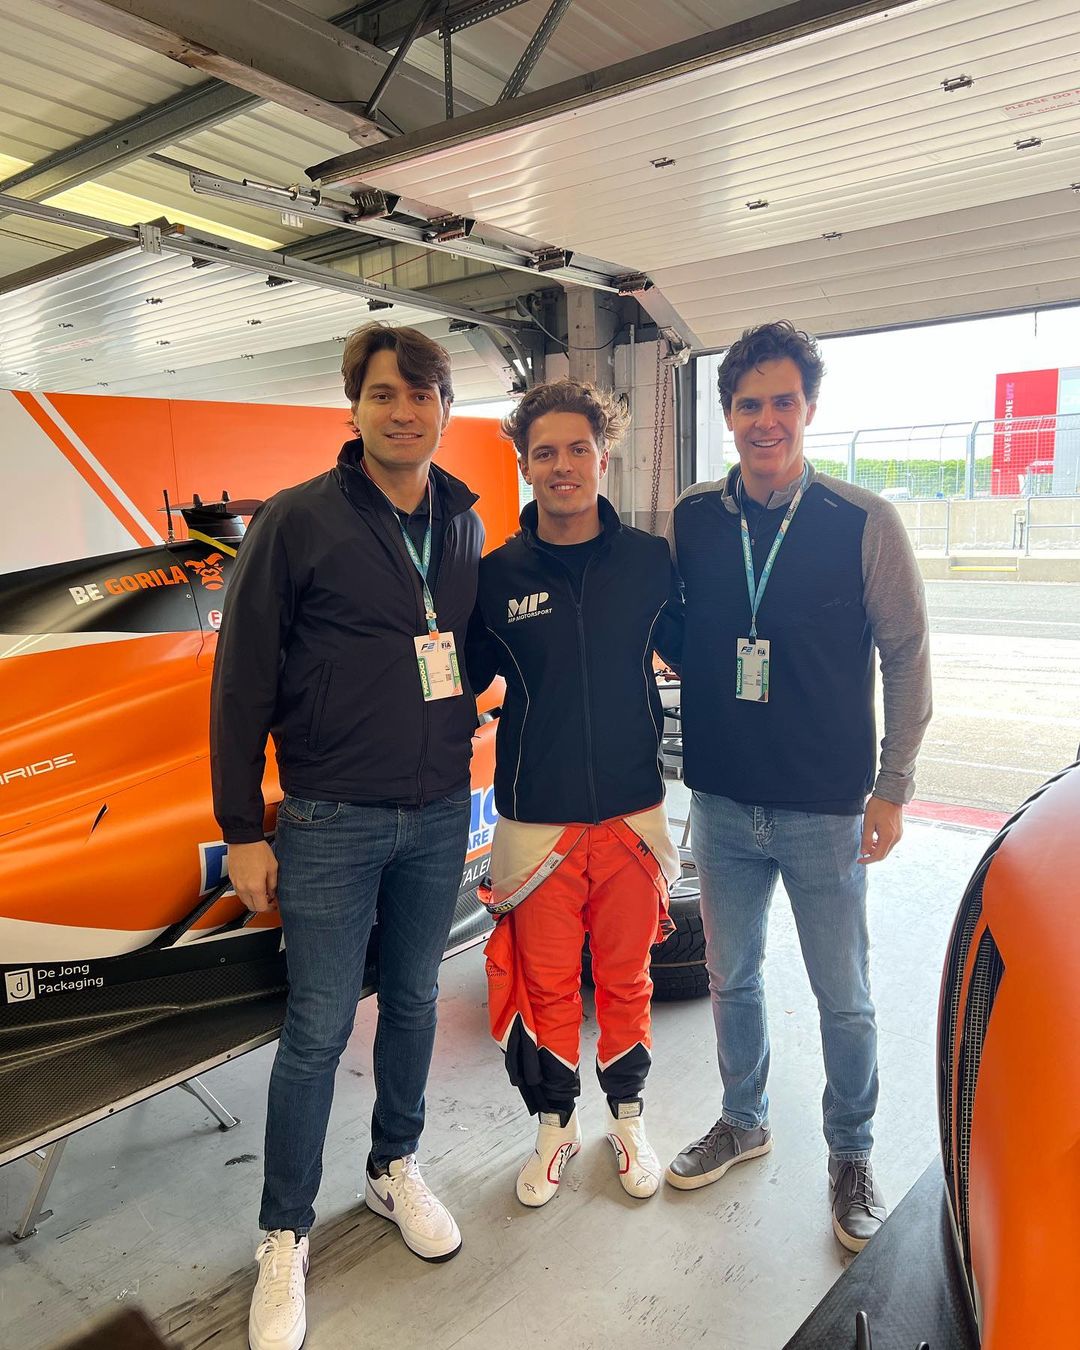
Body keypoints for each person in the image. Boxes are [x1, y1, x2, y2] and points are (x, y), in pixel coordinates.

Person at [210, 323, 484, 1350]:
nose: (404, 411)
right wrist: (243, 827)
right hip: (329, 815)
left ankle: (392, 1167)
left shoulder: (462, 520)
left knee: (413, 1000)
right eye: (383, 394)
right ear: (354, 407)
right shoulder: (297, 520)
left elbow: (468, 646)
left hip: (437, 808)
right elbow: (241, 679)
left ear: (445, 407)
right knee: (319, 1028)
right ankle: (284, 1232)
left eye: (421, 394)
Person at [664, 321, 932, 1253]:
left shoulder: (863, 521)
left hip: (826, 807)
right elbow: (676, 627)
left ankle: (851, 1153)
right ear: (728, 414)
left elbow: (906, 652)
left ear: (809, 409)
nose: (766, 421)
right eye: (749, 405)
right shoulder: (694, 518)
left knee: (843, 995)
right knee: (730, 978)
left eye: (783, 402)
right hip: (723, 803)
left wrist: (893, 785)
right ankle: (745, 1119)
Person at [467, 378, 682, 1208]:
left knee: (626, 981)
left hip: (632, 814)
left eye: (578, 449)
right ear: (525, 465)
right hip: (536, 823)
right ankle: (554, 1128)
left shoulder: (651, 561)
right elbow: (454, 681)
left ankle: (628, 1120)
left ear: (604, 455)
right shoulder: (494, 577)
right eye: (545, 452)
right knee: (546, 987)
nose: (563, 466)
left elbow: (701, 652)